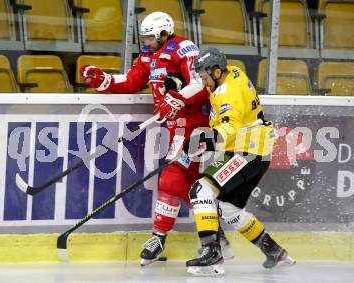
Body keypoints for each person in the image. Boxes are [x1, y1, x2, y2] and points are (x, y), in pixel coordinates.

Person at [79, 12, 232, 266]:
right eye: (145, 37)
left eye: (151, 37)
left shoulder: (184, 48)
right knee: (188, 183)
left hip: (197, 126)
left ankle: (160, 237)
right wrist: (103, 80)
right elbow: (131, 81)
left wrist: (177, 98)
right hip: (176, 128)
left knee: (171, 178)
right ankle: (212, 230)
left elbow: (201, 83)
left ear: (164, 33)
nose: (146, 41)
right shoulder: (148, 55)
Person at [184, 48, 295, 276]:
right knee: (228, 208)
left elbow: (230, 127)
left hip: (247, 151)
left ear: (216, 72)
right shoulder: (232, 72)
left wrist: (203, 139)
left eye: (204, 77)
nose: (203, 82)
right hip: (255, 151)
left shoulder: (229, 92)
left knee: (200, 191)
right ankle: (274, 251)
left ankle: (212, 253)